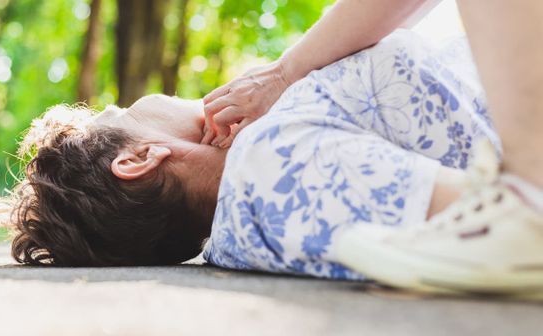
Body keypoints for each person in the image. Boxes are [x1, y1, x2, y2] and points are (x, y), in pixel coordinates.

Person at [0, 27, 498, 288]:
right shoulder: (269, 165)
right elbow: (503, 218)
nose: (119, 102)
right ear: (138, 158)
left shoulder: (237, 224)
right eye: (115, 112)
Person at [202, 0, 543, 293]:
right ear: (148, 155)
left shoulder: (242, 227)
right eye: (203, 116)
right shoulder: (262, 159)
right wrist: (284, 73)